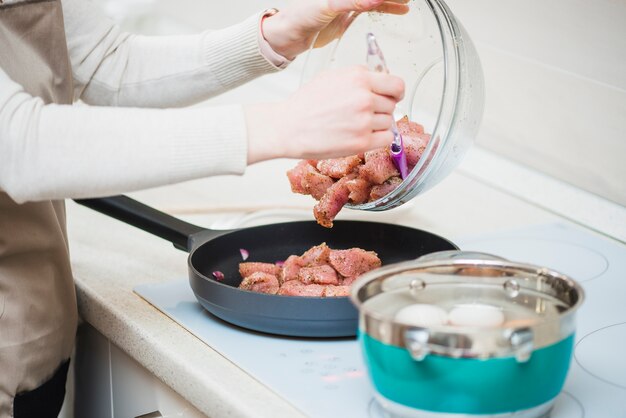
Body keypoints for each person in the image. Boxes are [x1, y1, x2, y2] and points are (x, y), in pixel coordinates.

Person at [0, 0, 407, 416]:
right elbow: (16, 144)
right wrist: (277, 126)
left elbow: (106, 60)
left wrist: (273, 35)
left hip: (34, 334)